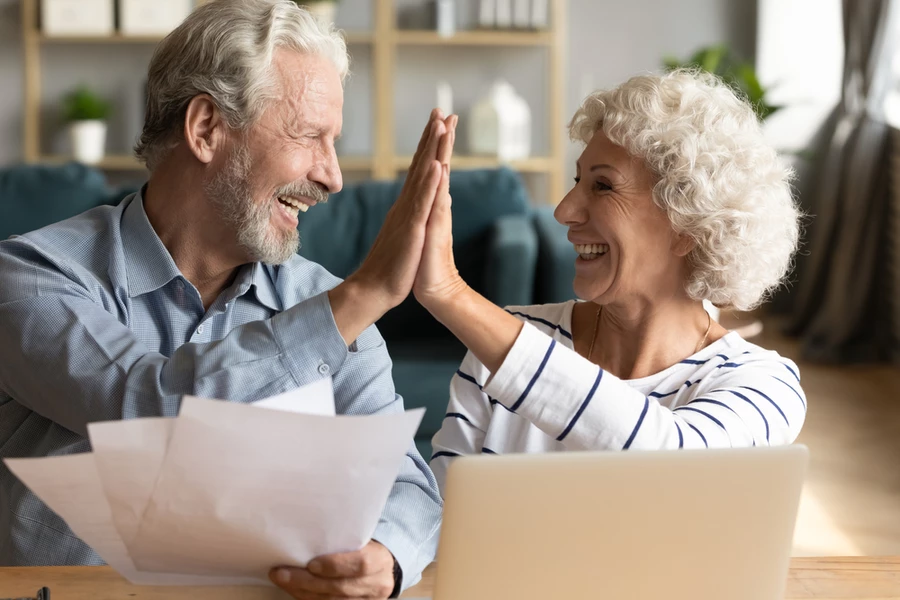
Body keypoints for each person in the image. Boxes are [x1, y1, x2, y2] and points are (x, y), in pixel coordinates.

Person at [0, 1, 454, 598]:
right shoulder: (32, 276)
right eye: (308, 135)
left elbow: (409, 487)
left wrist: (385, 555)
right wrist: (364, 295)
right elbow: (145, 407)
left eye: (334, 142)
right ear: (206, 129)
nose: (332, 176)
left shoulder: (326, 304)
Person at [418, 70, 808, 493]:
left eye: (603, 186)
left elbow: (680, 463)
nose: (564, 211)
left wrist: (452, 294)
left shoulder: (762, 384)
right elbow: (441, 514)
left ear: (689, 225)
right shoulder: (503, 344)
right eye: (577, 181)